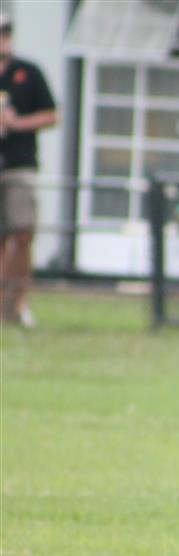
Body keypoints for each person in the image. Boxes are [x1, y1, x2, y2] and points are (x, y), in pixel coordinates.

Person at [0, 12, 57, 327]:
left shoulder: (29, 72)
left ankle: (18, 302)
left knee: (22, 233)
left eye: (6, 33)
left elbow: (52, 114)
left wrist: (18, 123)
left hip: (19, 165)